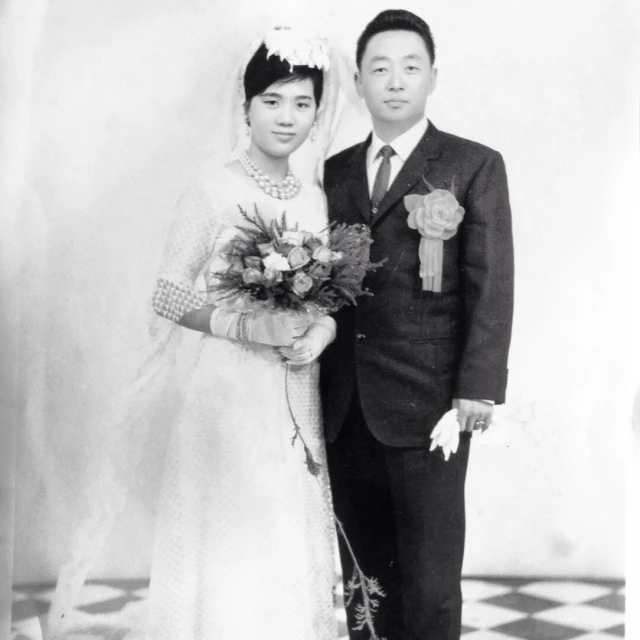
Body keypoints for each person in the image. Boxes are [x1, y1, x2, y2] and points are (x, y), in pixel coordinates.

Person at [144, 28, 344, 640]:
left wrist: (323, 332)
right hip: (228, 390)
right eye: (273, 100)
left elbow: (329, 296)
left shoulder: (316, 197)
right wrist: (241, 323)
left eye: (303, 102)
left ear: (318, 111)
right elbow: (167, 292)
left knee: (284, 520)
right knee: (233, 524)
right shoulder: (213, 189)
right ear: (247, 105)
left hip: (293, 385)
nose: (288, 117)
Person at [321, 9, 514, 640]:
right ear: (358, 81)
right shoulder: (338, 170)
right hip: (346, 401)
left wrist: (476, 387)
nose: (395, 81)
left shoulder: (472, 165)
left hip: (430, 402)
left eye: (411, 67)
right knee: (363, 578)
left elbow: (491, 284)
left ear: (433, 76)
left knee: (430, 581)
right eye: (379, 68)